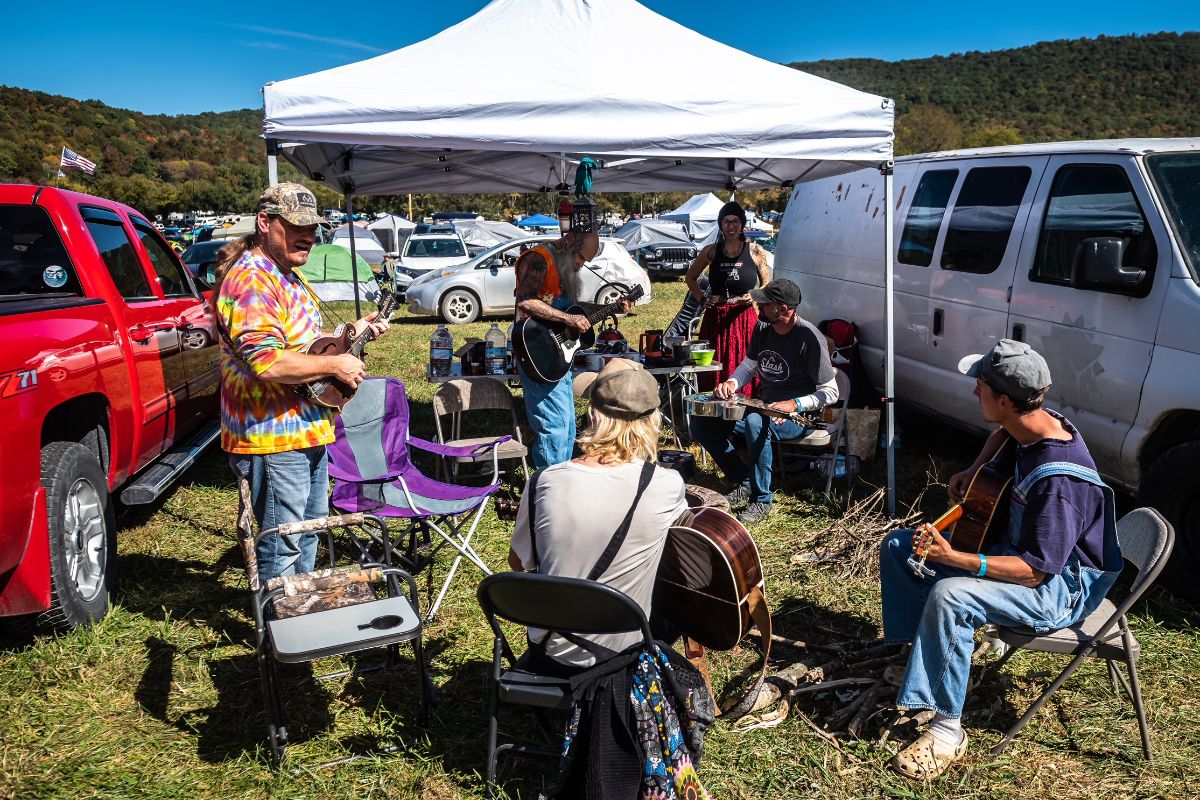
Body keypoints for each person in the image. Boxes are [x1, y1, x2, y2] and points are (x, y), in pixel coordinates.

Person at [879, 340, 1123, 780]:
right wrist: (975, 470)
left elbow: (1035, 572)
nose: (976, 391)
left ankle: (947, 731)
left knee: (951, 595)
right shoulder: (1032, 421)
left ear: (1005, 400)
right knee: (900, 547)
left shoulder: (1060, 483)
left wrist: (956, 557)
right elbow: (1002, 434)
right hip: (1020, 554)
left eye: (982, 386)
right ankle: (926, 659)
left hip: (1057, 590)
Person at [215, 182, 389, 582]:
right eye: (296, 226)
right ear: (265, 222)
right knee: (284, 545)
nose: (308, 235)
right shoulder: (253, 281)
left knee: (308, 534)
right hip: (273, 436)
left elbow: (303, 343)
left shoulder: (287, 275)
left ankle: (302, 609)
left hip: (304, 430)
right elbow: (267, 362)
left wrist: (350, 334)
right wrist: (336, 366)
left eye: (312, 227)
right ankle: (280, 618)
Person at [507, 359, 688, 673]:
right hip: (625, 652)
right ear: (652, 420)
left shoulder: (544, 481)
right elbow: (679, 556)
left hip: (551, 653)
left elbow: (518, 564)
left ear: (593, 414)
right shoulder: (667, 484)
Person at [689, 279, 838, 525]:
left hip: (797, 418)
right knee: (702, 423)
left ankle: (762, 500)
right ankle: (746, 480)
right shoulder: (763, 327)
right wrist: (732, 383)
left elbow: (831, 392)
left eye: (765, 303)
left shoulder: (810, 337)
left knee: (756, 423)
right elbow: (749, 366)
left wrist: (794, 404)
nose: (758, 305)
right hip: (762, 408)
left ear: (784, 309)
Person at [513, 226, 629, 469]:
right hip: (537, 349)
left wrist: (610, 308)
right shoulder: (538, 258)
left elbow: (572, 310)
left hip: (559, 355)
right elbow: (525, 300)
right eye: (580, 257)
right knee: (552, 427)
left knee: (566, 427)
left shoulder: (564, 267)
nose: (581, 264)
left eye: (586, 261)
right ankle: (549, 482)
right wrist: (567, 319)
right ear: (569, 241)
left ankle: (563, 477)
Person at [684, 201, 772, 393]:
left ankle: (747, 401)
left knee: (745, 360)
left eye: (735, 221)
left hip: (744, 317)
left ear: (742, 224)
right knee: (715, 364)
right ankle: (713, 402)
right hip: (716, 318)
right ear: (721, 224)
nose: (731, 226)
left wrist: (754, 296)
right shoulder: (711, 251)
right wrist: (702, 299)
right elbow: (690, 278)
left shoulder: (755, 251)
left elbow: (767, 283)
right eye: (726, 222)